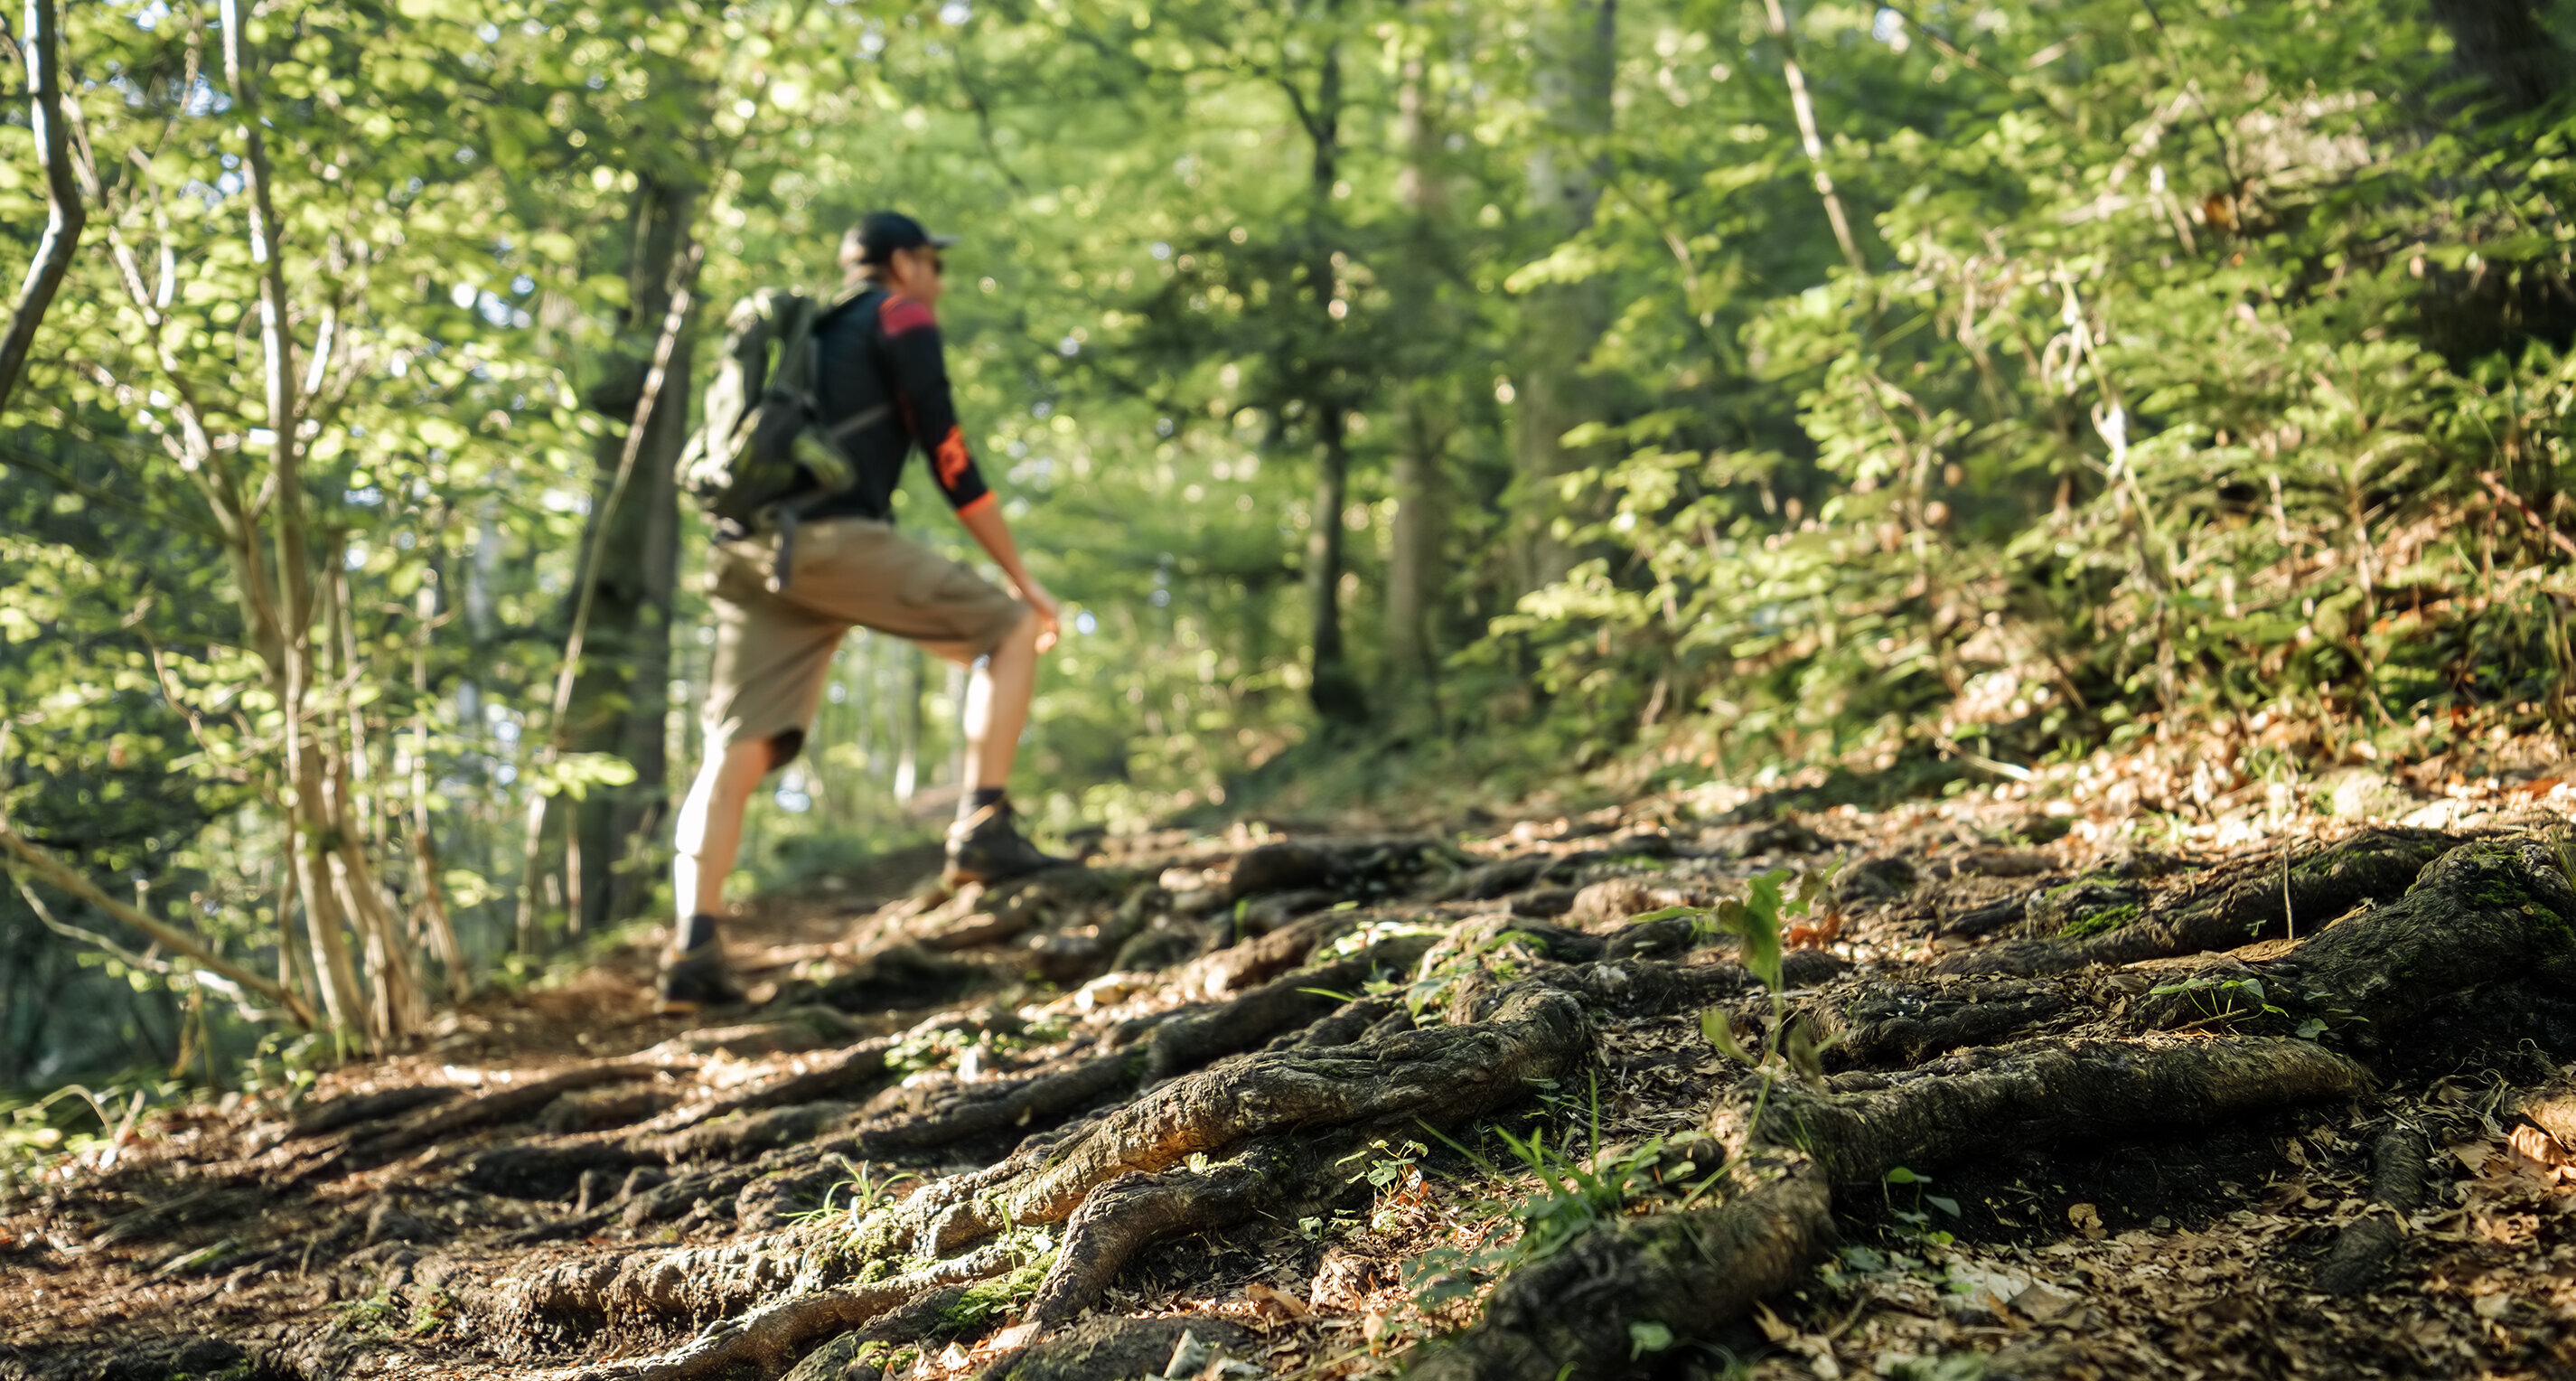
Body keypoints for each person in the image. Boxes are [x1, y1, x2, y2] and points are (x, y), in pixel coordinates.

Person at [660, 211, 1069, 1005]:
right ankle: (983, 830)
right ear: (905, 263)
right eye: (934, 264)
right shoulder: (900, 316)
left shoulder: (805, 340)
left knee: (733, 750)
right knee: (1010, 628)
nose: (938, 283)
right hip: (827, 546)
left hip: (752, 553)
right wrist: (1022, 583)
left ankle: (692, 950)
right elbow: (949, 454)